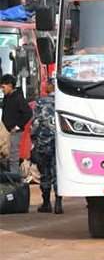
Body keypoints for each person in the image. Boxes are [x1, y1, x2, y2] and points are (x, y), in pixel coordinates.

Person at [31, 78, 62, 214]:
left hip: (44, 142)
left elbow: (35, 124)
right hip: (61, 143)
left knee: (45, 173)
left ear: (50, 86)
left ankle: (46, 203)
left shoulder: (41, 102)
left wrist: (34, 140)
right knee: (58, 173)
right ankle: (59, 203)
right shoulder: (65, 101)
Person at [0, 74, 31, 174]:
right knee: (3, 156)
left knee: (13, 157)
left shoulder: (18, 98)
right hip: (5, 131)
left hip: (14, 133)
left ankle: (14, 181)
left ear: (9, 86)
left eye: (3, 87)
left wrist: (17, 126)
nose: (2, 90)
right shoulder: (6, 98)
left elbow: (28, 113)